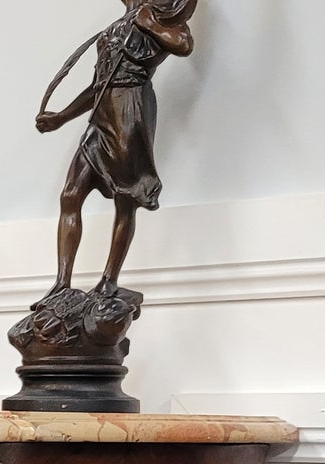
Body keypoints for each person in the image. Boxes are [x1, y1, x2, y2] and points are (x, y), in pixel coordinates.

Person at [35, 0, 198, 296]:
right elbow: (99, 85)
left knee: (126, 199)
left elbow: (184, 44)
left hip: (130, 113)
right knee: (71, 195)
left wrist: (150, 25)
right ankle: (61, 283)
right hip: (102, 115)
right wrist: (61, 117)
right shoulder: (116, 26)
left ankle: (110, 279)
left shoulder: (161, 15)